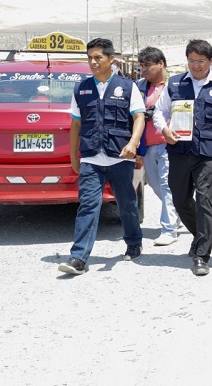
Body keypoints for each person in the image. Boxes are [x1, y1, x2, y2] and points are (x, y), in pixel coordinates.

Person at [58, 38, 145, 276]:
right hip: (91, 157)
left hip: (119, 157)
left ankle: (134, 241)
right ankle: (78, 258)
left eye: (98, 57)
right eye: (90, 58)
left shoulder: (128, 87)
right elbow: (75, 125)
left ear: (111, 59)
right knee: (88, 205)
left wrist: (132, 144)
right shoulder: (82, 88)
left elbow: (139, 117)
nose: (93, 62)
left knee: (126, 204)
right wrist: (73, 156)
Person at [152, 39, 212, 276]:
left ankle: (202, 255)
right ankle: (200, 234)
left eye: (201, 61)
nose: (196, 66)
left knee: (205, 201)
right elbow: (159, 111)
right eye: (191, 61)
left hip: (209, 153)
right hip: (179, 150)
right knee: (180, 201)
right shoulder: (175, 83)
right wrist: (164, 130)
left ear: (210, 61)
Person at [137, 46, 181, 246]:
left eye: (148, 65)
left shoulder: (176, 85)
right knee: (156, 187)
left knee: (166, 185)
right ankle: (183, 213)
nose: (143, 70)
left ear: (161, 63)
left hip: (168, 145)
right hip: (147, 146)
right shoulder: (138, 87)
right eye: (141, 66)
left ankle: (169, 229)